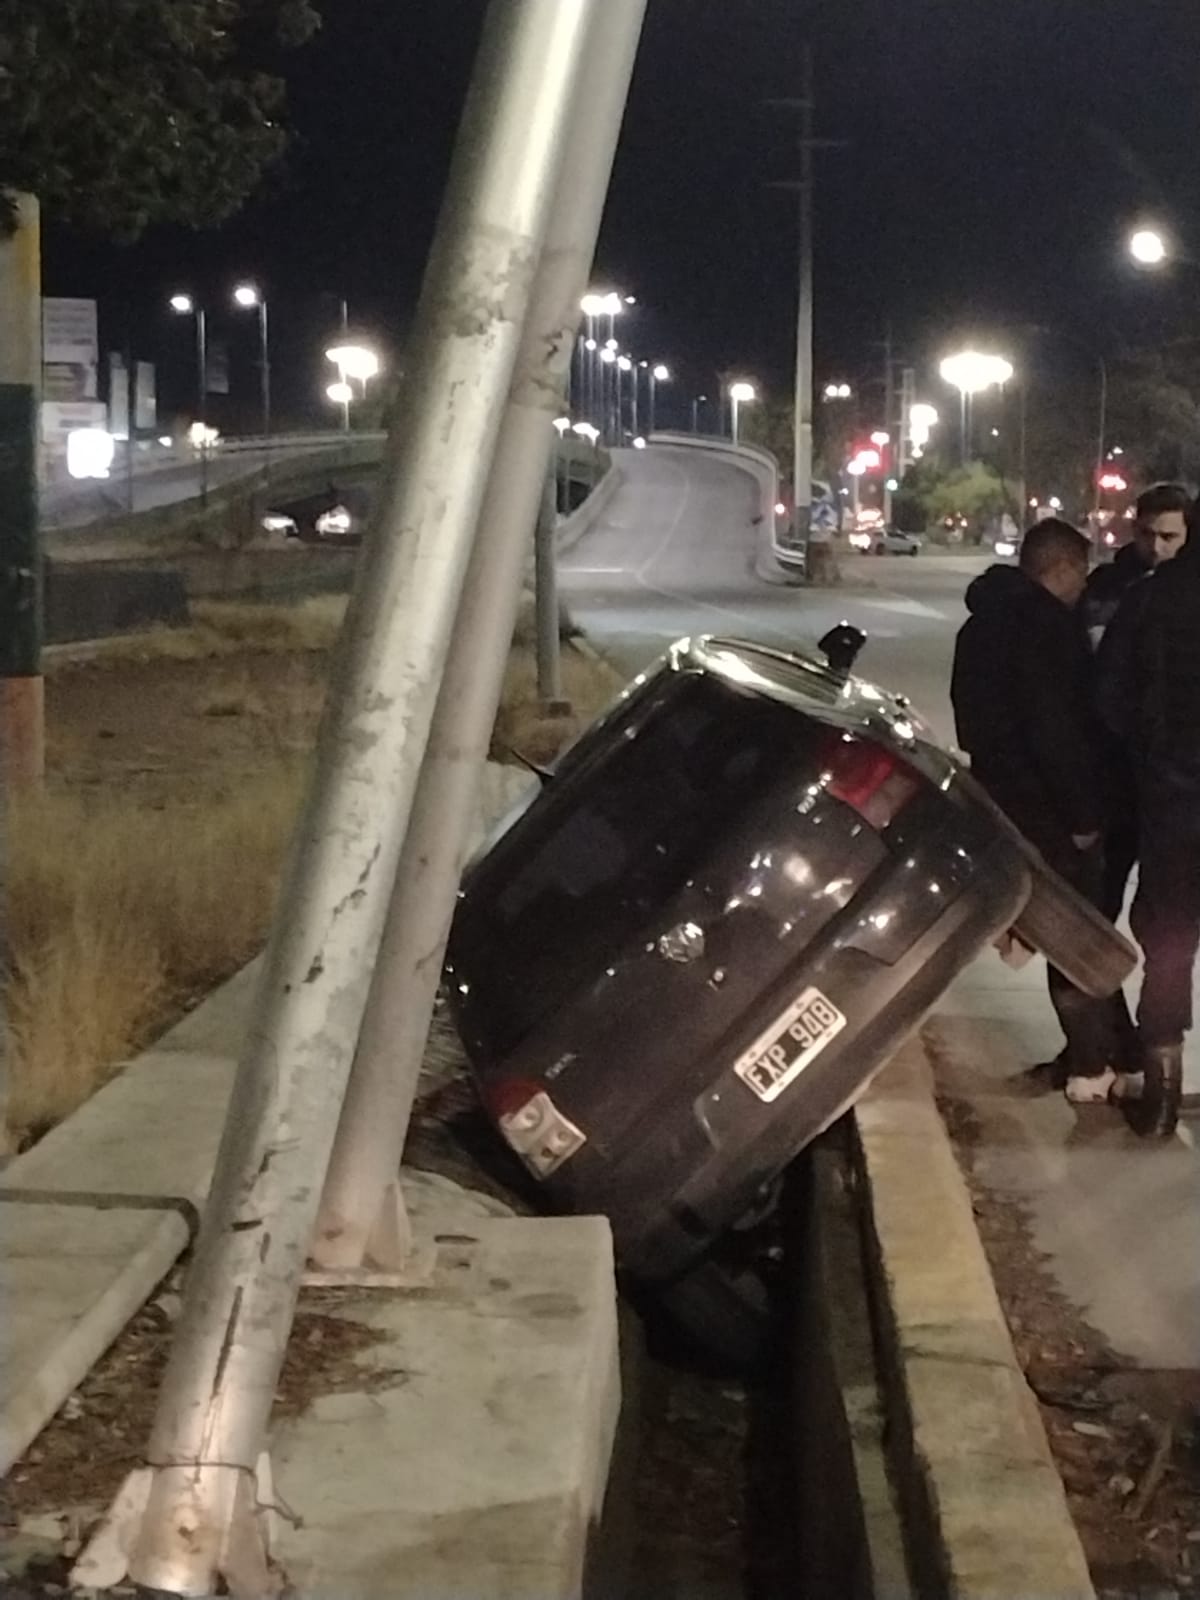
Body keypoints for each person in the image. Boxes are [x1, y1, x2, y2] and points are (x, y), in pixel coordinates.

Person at [952, 518, 1127, 1103]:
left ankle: (1109, 1053)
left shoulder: (978, 628)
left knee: (1066, 929)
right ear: (1063, 569)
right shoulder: (1047, 630)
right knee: (1072, 935)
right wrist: (1082, 817)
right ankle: (1092, 1066)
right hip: (1051, 810)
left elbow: (971, 719)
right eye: (1079, 574)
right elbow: (1059, 736)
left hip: (1001, 802)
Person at [1098, 503, 1199, 1137]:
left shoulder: (1151, 600)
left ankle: (1161, 1096)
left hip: (1174, 795)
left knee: (1170, 937)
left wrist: (1148, 756)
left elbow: (1109, 697)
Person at [1083, 483, 1191, 929]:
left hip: (1171, 777)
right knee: (1101, 900)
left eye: (1170, 537)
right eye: (1148, 535)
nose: (1157, 548)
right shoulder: (1110, 587)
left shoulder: (1183, 595)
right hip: (1118, 773)